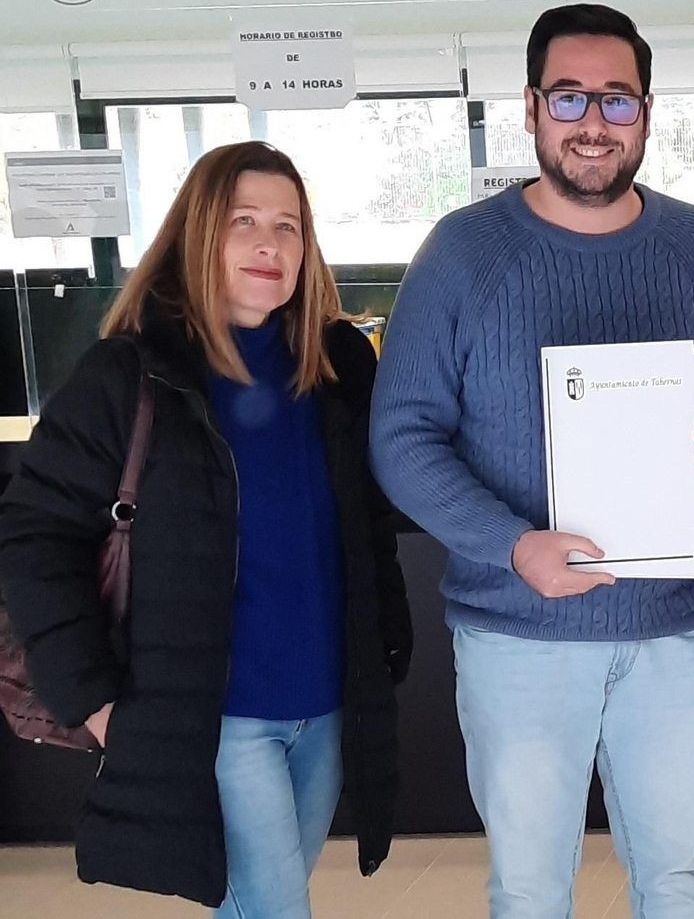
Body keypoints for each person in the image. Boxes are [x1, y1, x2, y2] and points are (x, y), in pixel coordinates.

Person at [369, 3, 694, 919]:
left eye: (617, 100)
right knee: (530, 889)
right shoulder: (462, 254)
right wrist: (514, 546)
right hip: (519, 636)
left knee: (676, 878)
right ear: (530, 107)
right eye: (570, 97)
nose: (594, 122)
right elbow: (400, 436)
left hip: (673, 630)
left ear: (648, 112)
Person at [0, 141, 412, 916]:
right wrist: (92, 702)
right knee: (274, 908)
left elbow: (371, 524)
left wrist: (385, 640)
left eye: (289, 226)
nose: (270, 243)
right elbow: (32, 542)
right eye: (243, 221)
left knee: (252, 905)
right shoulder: (129, 375)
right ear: (197, 234)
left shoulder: (336, 364)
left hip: (323, 706)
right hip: (216, 718)